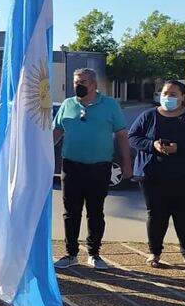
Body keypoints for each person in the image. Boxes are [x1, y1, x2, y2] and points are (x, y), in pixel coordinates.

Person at [128, 80, 185, 270]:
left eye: (174, 94)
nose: (168, 97)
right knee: (156, 216)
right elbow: (133, 137)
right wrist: (153, 145)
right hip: (153, 176)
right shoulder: (148, 116)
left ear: (183, 97)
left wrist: (180, 148)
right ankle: (154, 252)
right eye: (165, 93)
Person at [52, 68, 132, 270]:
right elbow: (56, 133)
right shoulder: (68, 104)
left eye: (83, 81)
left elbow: (122, 135)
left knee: (95, 211)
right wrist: (40, 157)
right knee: (71, 212)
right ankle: (70, 254)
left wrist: (127, 164)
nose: (78, 85)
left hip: (99, 167)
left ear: (94, 84)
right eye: (76, 81)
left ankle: (94, 253)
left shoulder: (110, 105)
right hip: (71, 166)